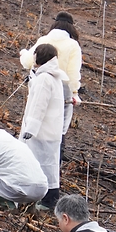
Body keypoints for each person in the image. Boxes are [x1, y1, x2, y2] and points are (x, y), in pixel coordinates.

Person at [20, 12, 83, 161]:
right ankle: (54, 159)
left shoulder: (44, 39)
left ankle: (29, 156)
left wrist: (23, 54)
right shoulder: (73, 45)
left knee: (36, 116)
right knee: (58, 127)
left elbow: (28, 61)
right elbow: (73, 73)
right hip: (61, 89)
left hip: (39, 83)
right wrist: (74, 92)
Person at [20, 44, 68, 211]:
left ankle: (45, 200)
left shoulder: (45, 79)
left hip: (41, 132)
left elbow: (39, 105)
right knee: (50, 165)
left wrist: (30, 129)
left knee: (39, 165)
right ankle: (49, 199)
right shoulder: (53, 77)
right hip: (51, 131)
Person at [0, 122, 47, 209]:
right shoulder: (17, 143)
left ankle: (8, 207)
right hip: (41, 189)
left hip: (21, 189)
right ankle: (29, 208)